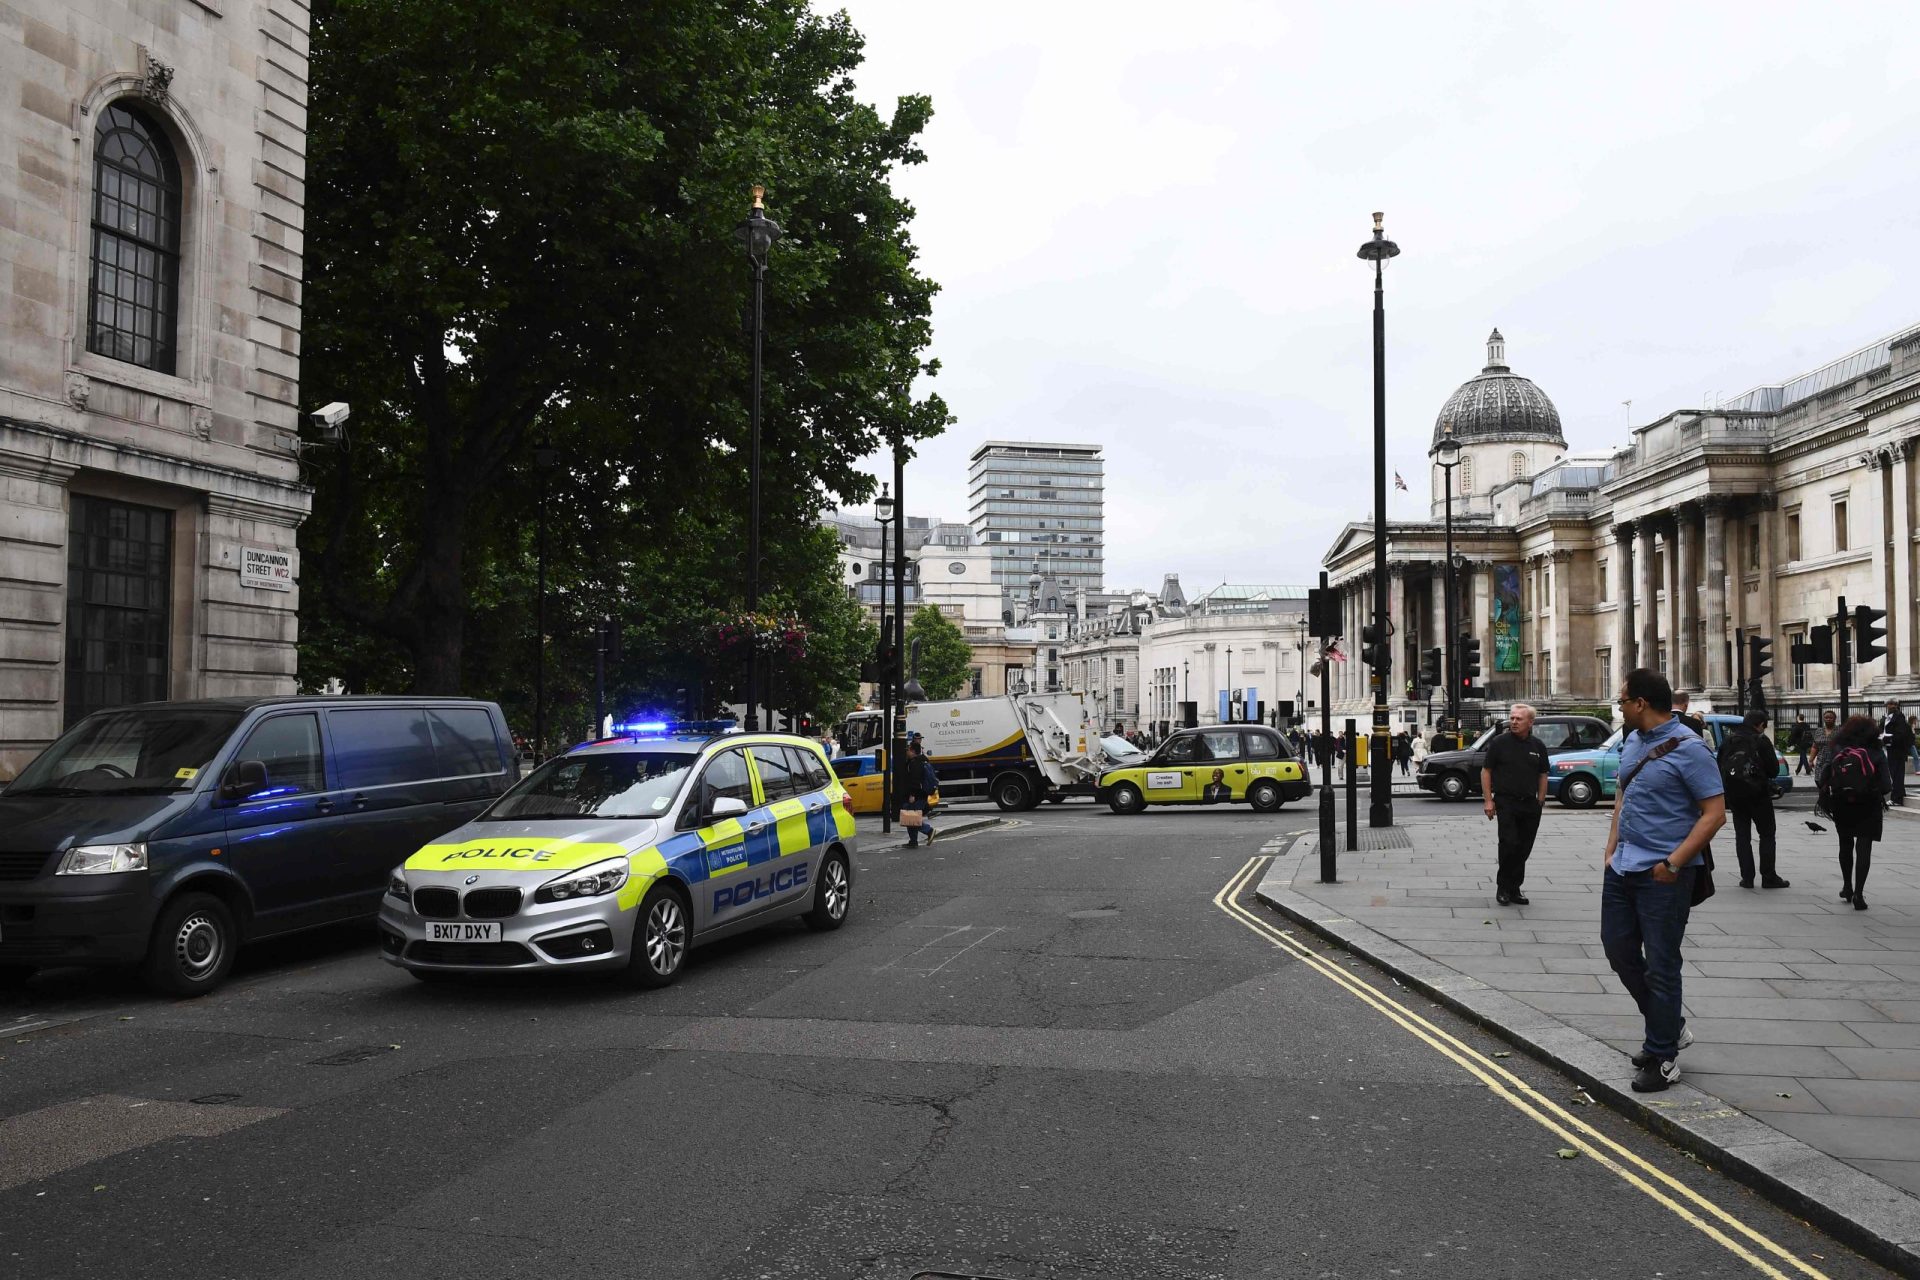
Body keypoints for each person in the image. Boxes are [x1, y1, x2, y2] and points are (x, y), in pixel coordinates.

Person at [1602, 668, 1725, 1093]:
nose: (1618, 706)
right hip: (1623, 867)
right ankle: (1669, 1025)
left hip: (1664, 875)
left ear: (1640, 704)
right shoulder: (1632, 740)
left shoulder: (1691, 749)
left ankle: (1663, 1055)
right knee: (1618, 950)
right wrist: (1610, 849)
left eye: (1621, 700)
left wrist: (1673, 863)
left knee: (1661, 962)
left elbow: (1715, 814)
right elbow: (1622, 794)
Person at [1818, 714, 1890, 910]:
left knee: (1845, 843)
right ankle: (1859, 893)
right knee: (1864, 847)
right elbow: (1886, 785)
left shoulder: (1838, 749)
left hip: (1843, 803)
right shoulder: (1876, 752)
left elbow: (1824, 776)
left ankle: (1847, 886)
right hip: (1869, 804)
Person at [1481, 704, 1550, 906]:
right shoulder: (1499, 743)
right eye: (1512, 718)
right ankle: (1503, 887)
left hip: (1530, 804)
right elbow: (1486, 771)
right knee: (1509, 844)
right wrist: (1488, 800)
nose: (1514, 722)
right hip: (1506, 802)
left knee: (1524, 848)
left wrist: (1541, 801)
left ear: (1530, 722)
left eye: (1519, 719)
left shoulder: (1538, 746)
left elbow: (1543, 774)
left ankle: (1515, 888)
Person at [1721, 710, 1787, 889]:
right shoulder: (1760, 740)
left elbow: (1720, 765)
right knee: (1766, 834)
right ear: (1760, 724)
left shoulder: (1730, 740)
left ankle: (1747, 877)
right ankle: (1768, 876)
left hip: (1736, 795)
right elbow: (1773, 770)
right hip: (1758, 794)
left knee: (1742, 836)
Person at [896, 741, 939, 848]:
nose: (907, 752)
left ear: (913, 751)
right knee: (910, 817)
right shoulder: (921, 761)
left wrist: (912, 794)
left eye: (909, 750)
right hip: (921, 795)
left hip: (916, 795)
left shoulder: (915, 763)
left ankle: (929, 831)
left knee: (911, 819)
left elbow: (914, 781)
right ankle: (913, 841)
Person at [1880, 701, 1912, 805]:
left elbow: (1900, 734)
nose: (1892, 706)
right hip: (1888, 749)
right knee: (1894, 773)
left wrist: (1886, 739)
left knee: (1897, 774)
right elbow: (1881, 730)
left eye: (1894, 704)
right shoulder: (1885, 717)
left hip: (1897, 750)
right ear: (1886, 706)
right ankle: (1899, 794)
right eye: (1889, 704)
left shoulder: (1899, 717)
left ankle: (1897, 798)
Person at [1811, 709, 1838, 780]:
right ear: (1823, 719)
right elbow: (1815, 747)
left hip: (1835, 761)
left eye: (1830, 718)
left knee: (1834, 781)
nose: (1828, 719)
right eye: (1826, 717)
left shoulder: (1839, 731)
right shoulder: (1818, 731)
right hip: (1821, 761)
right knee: (1819, 780)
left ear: (1835, 719)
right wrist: (1811, 760)